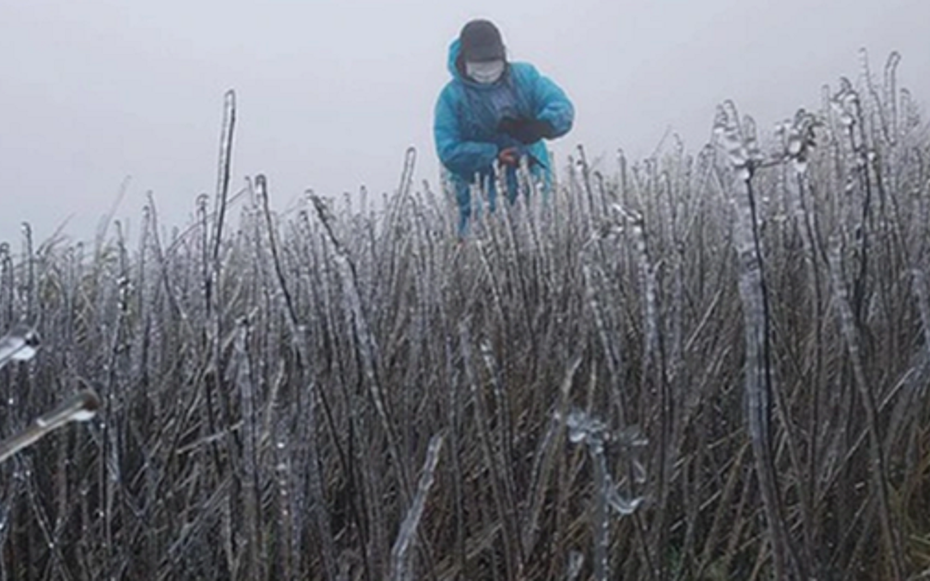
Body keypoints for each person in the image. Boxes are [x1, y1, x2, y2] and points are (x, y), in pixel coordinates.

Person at [433, 19, 574, 236]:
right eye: (479, 65)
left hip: (534, 187)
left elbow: (562, 107)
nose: (487, 72)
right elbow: (448, 151)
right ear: (464, 61)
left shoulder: (525, 78)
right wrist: (493, 155)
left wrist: (541, 126)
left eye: (492, 62)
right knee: (485, 260)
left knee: (543, 253)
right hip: (478, 199)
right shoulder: (452, 98)